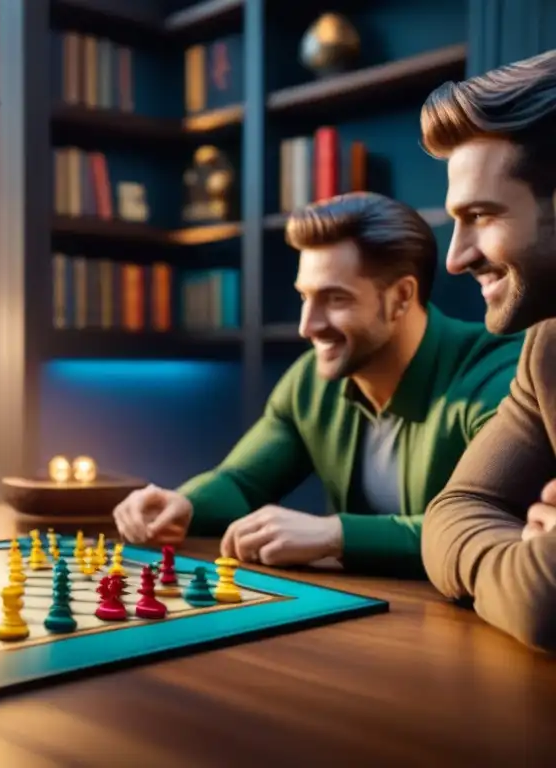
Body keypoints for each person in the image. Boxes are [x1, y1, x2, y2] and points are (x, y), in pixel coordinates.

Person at [112, 192, 524, 577]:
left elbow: (491, 525)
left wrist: (334, 534)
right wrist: (183, 505)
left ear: (401, 297)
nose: (308, 326)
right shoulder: (311, 380)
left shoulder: (498, 376)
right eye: (305, 297)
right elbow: (241, 481)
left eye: (335, 299)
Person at [419, 51, 556, 650]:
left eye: (480, 215)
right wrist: (517, 555)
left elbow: (542, 605)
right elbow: (453, 511)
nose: (454, 258)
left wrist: (534, 570)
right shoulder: (546, 347)